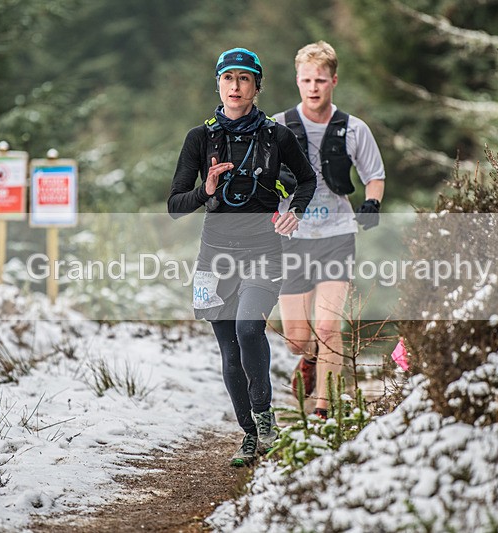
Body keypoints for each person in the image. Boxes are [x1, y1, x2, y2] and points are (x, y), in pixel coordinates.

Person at [168, 47, 316, 467]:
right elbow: (175, 206)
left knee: (250, 328)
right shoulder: (200, 138)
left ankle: (266, 419)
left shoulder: (275, 135)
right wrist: (206, 191)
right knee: (229, 353)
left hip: (263, 251)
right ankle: (249, 435)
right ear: (218, 83)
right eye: (228, 78)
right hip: (214, 257)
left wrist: (295, 213)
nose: (236, 86)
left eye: (244, 79)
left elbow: (307, 180)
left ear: (256, 86)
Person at [273, 41, 385, 419]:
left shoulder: (353, 129)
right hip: (292, 237)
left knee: (328, 324)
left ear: (333, 80)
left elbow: (375, 175)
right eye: (306, 79)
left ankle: (323, 408)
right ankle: (308, 358)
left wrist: (372, 203)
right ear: (297, 81)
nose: (313, 87)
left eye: (320, 79)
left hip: (337, 235)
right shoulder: (277, 127)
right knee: (297, 339)